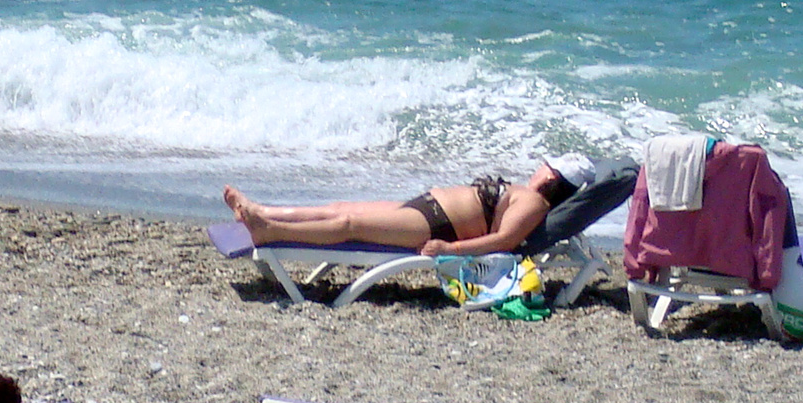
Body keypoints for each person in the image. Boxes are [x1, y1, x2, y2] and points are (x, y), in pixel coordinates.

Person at [221, 154, 598, 257]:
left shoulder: (534, 202)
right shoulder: (529, 197)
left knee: (350, 224)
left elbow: (504, 242)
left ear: (551, 177)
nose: (537, 167)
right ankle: (263, 211)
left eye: (544, 165)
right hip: (429, 209)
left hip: (438, 226)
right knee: (342, 207)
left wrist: (449, 249)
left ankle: (269, 230)